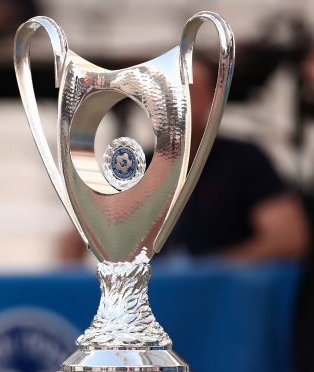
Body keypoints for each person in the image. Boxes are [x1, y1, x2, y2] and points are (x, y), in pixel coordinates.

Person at [60, 58, 310, 262]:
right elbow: (78, 237)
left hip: (218, 299)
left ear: (212, 101)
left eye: (188, 93)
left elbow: (289, 237)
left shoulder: (245, 160)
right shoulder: (135, 164)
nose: (174, 103)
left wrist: (216, 270)